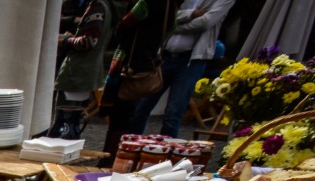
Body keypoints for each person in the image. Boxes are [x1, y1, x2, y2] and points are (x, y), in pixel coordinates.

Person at [129, 0, 234, 137]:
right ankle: (129, 148)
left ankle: (165, 155)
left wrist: (172, 25)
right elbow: (167, 14)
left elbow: (205, 22)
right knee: (141, 107)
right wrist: (191, 14)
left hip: (191, 61)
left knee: (173, 114)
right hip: (164, 56)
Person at [98, 0, 176, 166]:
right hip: (145, 64)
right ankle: (117, 159)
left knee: (118, 118)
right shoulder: (170, 5)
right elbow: (171, 29)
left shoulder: (144, 4)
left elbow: (121, 29)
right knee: (127, 116)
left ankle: (110, 160)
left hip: (128, 66)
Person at [51, 0, 115, 139]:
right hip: (86, 72)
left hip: (77, 71)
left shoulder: (98, 6)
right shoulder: (108, 6)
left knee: (64, 123)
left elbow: (89, 41)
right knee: (72, 122)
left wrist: (66, 40)